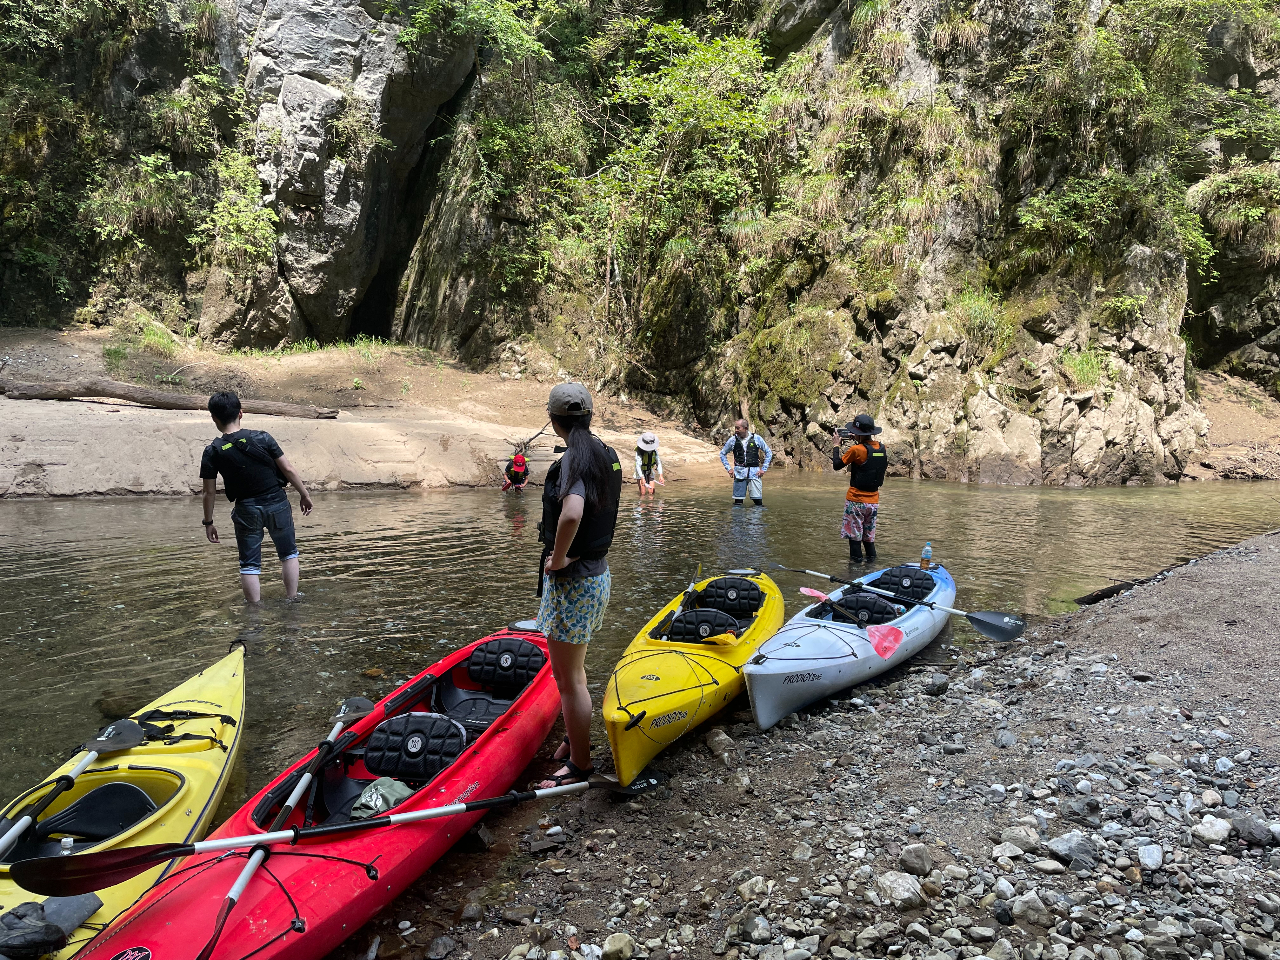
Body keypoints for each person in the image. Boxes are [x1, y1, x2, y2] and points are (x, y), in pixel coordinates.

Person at [535, 383, 622, 787]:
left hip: (573, 584)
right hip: (597, 574)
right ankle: (575, 739)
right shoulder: (605, 454)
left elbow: (571, 514)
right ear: (588, 416)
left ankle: (581, 766)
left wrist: (556, 558)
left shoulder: (573, 460)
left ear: (555, 422)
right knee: (577, 674)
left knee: (568, 681)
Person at [200, 391, 314, 603]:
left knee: (249, 564)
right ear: (241, 413)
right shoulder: (263, 438)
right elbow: (288, 469)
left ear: (214, 418)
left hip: (246, 510)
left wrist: (208, 522)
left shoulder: (212, 451)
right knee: (288, 553)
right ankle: (292, 600)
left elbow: (209, 492)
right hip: (277, 503)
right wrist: (304, 494)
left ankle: (253, 613)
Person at [832, 413, 887, 564]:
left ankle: (855, 570)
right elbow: (869, 455)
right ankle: (871, 566)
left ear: (859, 433)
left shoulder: (856, 450)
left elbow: (837, 465)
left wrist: (836, 445)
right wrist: (858, 438)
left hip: (856, 501)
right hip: (873, 501)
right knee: (868, 538)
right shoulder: (882, 448)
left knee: (854, 538)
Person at [719, 419, 773, 505]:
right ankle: (738, 518)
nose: (736, 430)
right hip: (739, 474)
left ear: (745, 428)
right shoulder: (732, 440)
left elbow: (769, 452)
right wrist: (729, 469)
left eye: (738, 428)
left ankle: (755, 517)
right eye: (735, 428)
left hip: (754, 474)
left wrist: (764, 469)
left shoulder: (757, 438)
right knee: (738, 502)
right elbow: (722, 454)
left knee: (758, 502)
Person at [634, 431, 665, 496]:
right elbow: (638, 465)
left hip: (649, 470)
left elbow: (658, 462)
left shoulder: (654, 451)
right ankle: (642, 504)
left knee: (651, 492)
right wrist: (642, 477)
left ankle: (650, 505)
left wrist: (661, 475)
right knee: (643, 493)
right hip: (640, 471)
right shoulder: (639, 451)